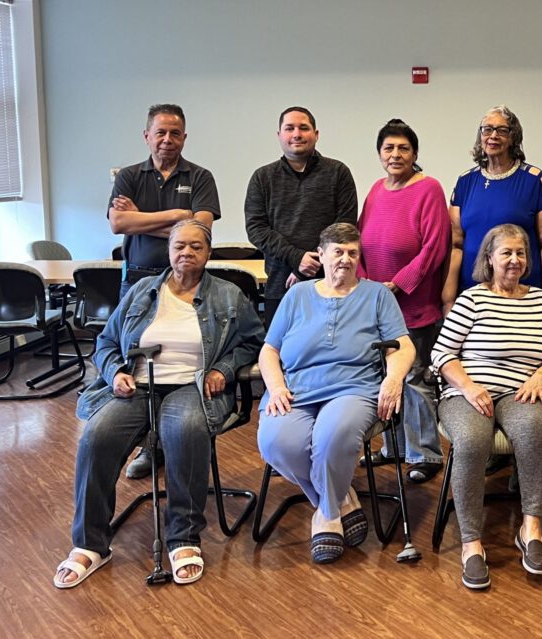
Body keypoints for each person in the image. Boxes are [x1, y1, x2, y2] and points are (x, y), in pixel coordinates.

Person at [54, 220, 264, 589]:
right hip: (137, 385)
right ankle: (90, 544)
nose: (187, 253)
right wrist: (116, 371)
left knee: (184, 430)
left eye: (196, 247)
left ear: (208, 252)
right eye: (179, 246)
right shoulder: (141, 292)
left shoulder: (228, 295)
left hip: (194, 386)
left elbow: (252, 342)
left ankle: (183, 537)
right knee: (96, 438)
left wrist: (224, 369)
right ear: (168, 251)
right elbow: (105, 341)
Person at [256, 223, 415, 564]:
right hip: (295, 389)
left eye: (352, 253)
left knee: (333, 436)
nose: (345, 259)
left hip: (353, 388)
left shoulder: (377, 295)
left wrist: (393, 379)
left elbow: (402, 346)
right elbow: (269, 349)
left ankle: (326, 516)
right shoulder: (297, 295)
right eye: (338, 251)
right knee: (276, 442)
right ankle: (343, 500)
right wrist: (276, 386)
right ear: (322, 254)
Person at [431, 224, 542, 590]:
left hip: (521, 391)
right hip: (468, 392)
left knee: (531, 432)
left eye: (520, 253)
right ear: (489, 259)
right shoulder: (471, 299)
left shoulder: (541, 301)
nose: (514, 260)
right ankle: (471, 543)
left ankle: (531, 528)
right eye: (506, 253)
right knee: (472, 441)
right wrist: (467, 386)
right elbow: (441, 354)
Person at [108, 104, 222, 480]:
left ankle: (177, 438)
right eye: (160, 132)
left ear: (184, 137)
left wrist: (142, 220)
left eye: (175, 133)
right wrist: (178, 217)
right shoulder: (128, 176)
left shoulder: (201, 175)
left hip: (189, 282)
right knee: (140, 364)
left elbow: (200, 230)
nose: (167, 140)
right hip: (139, 281)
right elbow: (118, 223)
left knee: (179, 362)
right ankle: (146, 443)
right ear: (147, 136)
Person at [358, 118, 450, 483]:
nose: (395, 155)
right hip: (379, 304)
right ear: (380, 154)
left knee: (414, 378)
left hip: (414, 303)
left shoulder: (429, 189)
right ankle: (392, 447)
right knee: (387, 376)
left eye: (403, 148)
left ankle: (425, 454)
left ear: (415, 154)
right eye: (388, 148)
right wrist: (369, 286)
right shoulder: (377, 190)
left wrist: (398, 283)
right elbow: (361, 241)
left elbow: (435, 247)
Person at [442, 105, 542, 313]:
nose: (493, 136)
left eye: (502, 130)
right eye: (487, 129)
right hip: (472, 298)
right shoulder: (465, 182)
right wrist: (448, 301)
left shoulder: (533, 179)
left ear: (513, 137)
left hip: (522, 296)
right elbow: (455, 245)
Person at [245, 106, 358, 326]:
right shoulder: (263, 177)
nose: (296, 134)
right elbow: (256, 229)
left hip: (331, 282)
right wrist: (297, 258)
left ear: (316, 134)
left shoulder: (338, 172)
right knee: (283, 353)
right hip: (280, 285)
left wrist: (309, 265)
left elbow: (344, 226)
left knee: (331, 348)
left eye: (303, 128)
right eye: (289, 128)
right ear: (280, 135)